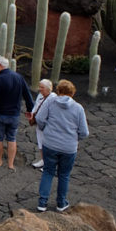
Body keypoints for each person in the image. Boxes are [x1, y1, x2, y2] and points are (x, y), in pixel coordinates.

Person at [35, 79, 88, 212]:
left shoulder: (51, 102)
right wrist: (75, 139)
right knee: (64, 175)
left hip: (50, 144)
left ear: (58, 91)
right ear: (72, 93)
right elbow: (84, 132)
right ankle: (61, 203)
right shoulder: (78, 108)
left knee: (48, 172)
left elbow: (40, 119)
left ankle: (42, 203)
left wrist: (45, 129)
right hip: (68, 147)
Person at [30, 79, 56, 169]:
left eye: (42, 87)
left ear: (49, 89)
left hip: (48, 126)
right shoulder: (40, 95)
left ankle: (49, 164)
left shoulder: (53, 99)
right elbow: (36, 106)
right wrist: (32, 116)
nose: (39, 89)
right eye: (39, 87)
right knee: (41, 143)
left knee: (49, 145)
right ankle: (43, 160)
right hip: (39, 124)